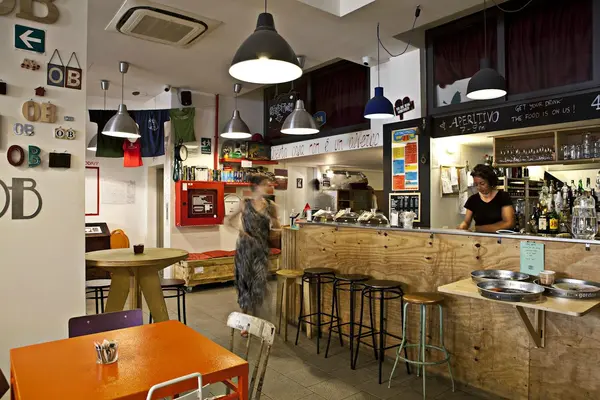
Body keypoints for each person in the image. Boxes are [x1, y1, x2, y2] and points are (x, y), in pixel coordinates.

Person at [226, 174, 280, 324]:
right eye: (265, 184)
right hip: (245, 250)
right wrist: (241, 231)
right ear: (256, 186)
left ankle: (254, 319)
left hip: (261, 250)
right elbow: (228, 220)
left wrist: (275, 231)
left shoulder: (271, 206)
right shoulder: (245, 203)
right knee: (244, 284)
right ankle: (245, 319)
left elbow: (277, 226)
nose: (268, 187)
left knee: (258, 284)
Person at [458, 164, 515, 233]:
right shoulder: (473, 200)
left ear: (490, 181)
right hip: (480, 239)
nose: (479, 187)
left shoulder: (503, 197)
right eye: (476, 184)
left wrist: (479, 228)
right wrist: (462, 227)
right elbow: (466, 222)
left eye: (482, 184)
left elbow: (508, 223)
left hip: (501, 238)